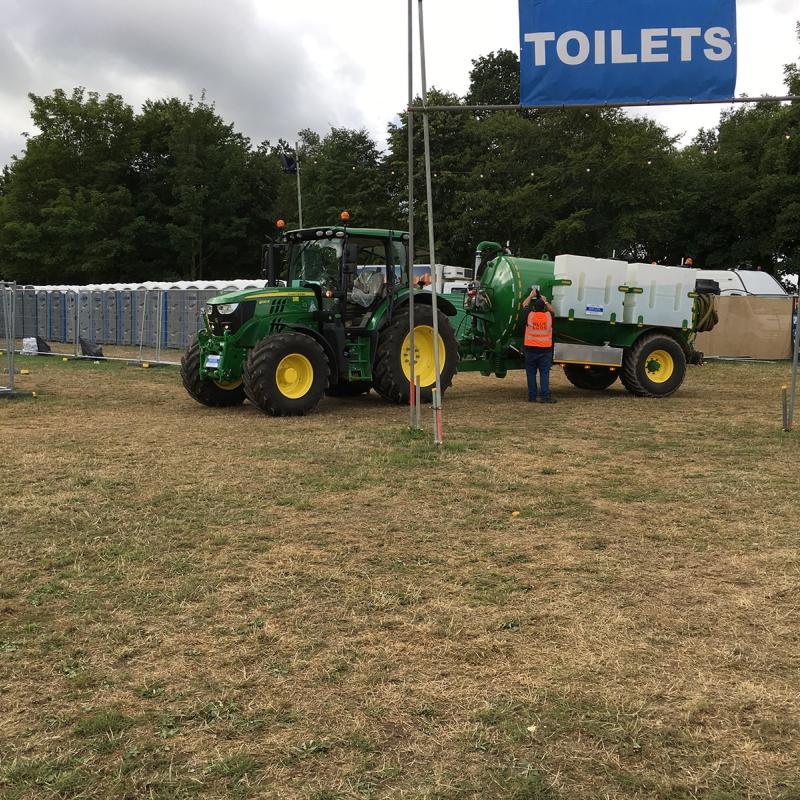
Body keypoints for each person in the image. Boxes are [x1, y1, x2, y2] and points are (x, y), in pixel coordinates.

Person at [521, 287, 556, 403]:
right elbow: (553, 310)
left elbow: (524, 304)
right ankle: (545, 397)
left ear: (534, 308)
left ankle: (532, 397)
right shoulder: (548, 317)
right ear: (544, 308)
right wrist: (545, 300)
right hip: (545, 351)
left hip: (530, 350)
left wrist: (531, 296)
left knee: (531, 374)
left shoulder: (530, 316)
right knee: (544, 374)